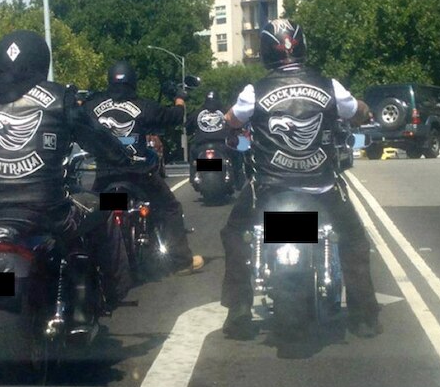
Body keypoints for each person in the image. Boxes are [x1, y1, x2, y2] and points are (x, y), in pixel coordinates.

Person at [0, 30, 136, 385]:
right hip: (48, 212)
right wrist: (121, 157)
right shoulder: (60, 97)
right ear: (41, 61)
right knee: (103, 212)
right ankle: (110, 296)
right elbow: (97, 138)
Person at [219, 19, 381, 339]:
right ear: (301, 46)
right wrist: (366, 113)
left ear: (266, 51)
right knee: (354, 240)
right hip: (321, 186)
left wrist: (232, 126)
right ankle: (363, 317)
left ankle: (238, 310)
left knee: (234, 233)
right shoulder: (329, 86)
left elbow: (230, 120)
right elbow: (357, 111)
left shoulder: (255, 91)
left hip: (269, 187)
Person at [83, 60, 205, 276]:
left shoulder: (92, 106)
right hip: (138, 176)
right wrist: (179, 99)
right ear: (133, 81)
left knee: (95, 215)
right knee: (169, 208)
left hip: (106, 177)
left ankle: (92, 267)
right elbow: (174, 117)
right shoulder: (145, 106)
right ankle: (181, 261)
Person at [186, 90, 243, 185]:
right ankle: (238, 179)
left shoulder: (197, 113)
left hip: (201, 146)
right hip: (223, 145)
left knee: (192, 154)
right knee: (236, 155)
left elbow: (188, 127)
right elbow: (236, 124)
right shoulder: (225, 111)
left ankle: (193, 176)